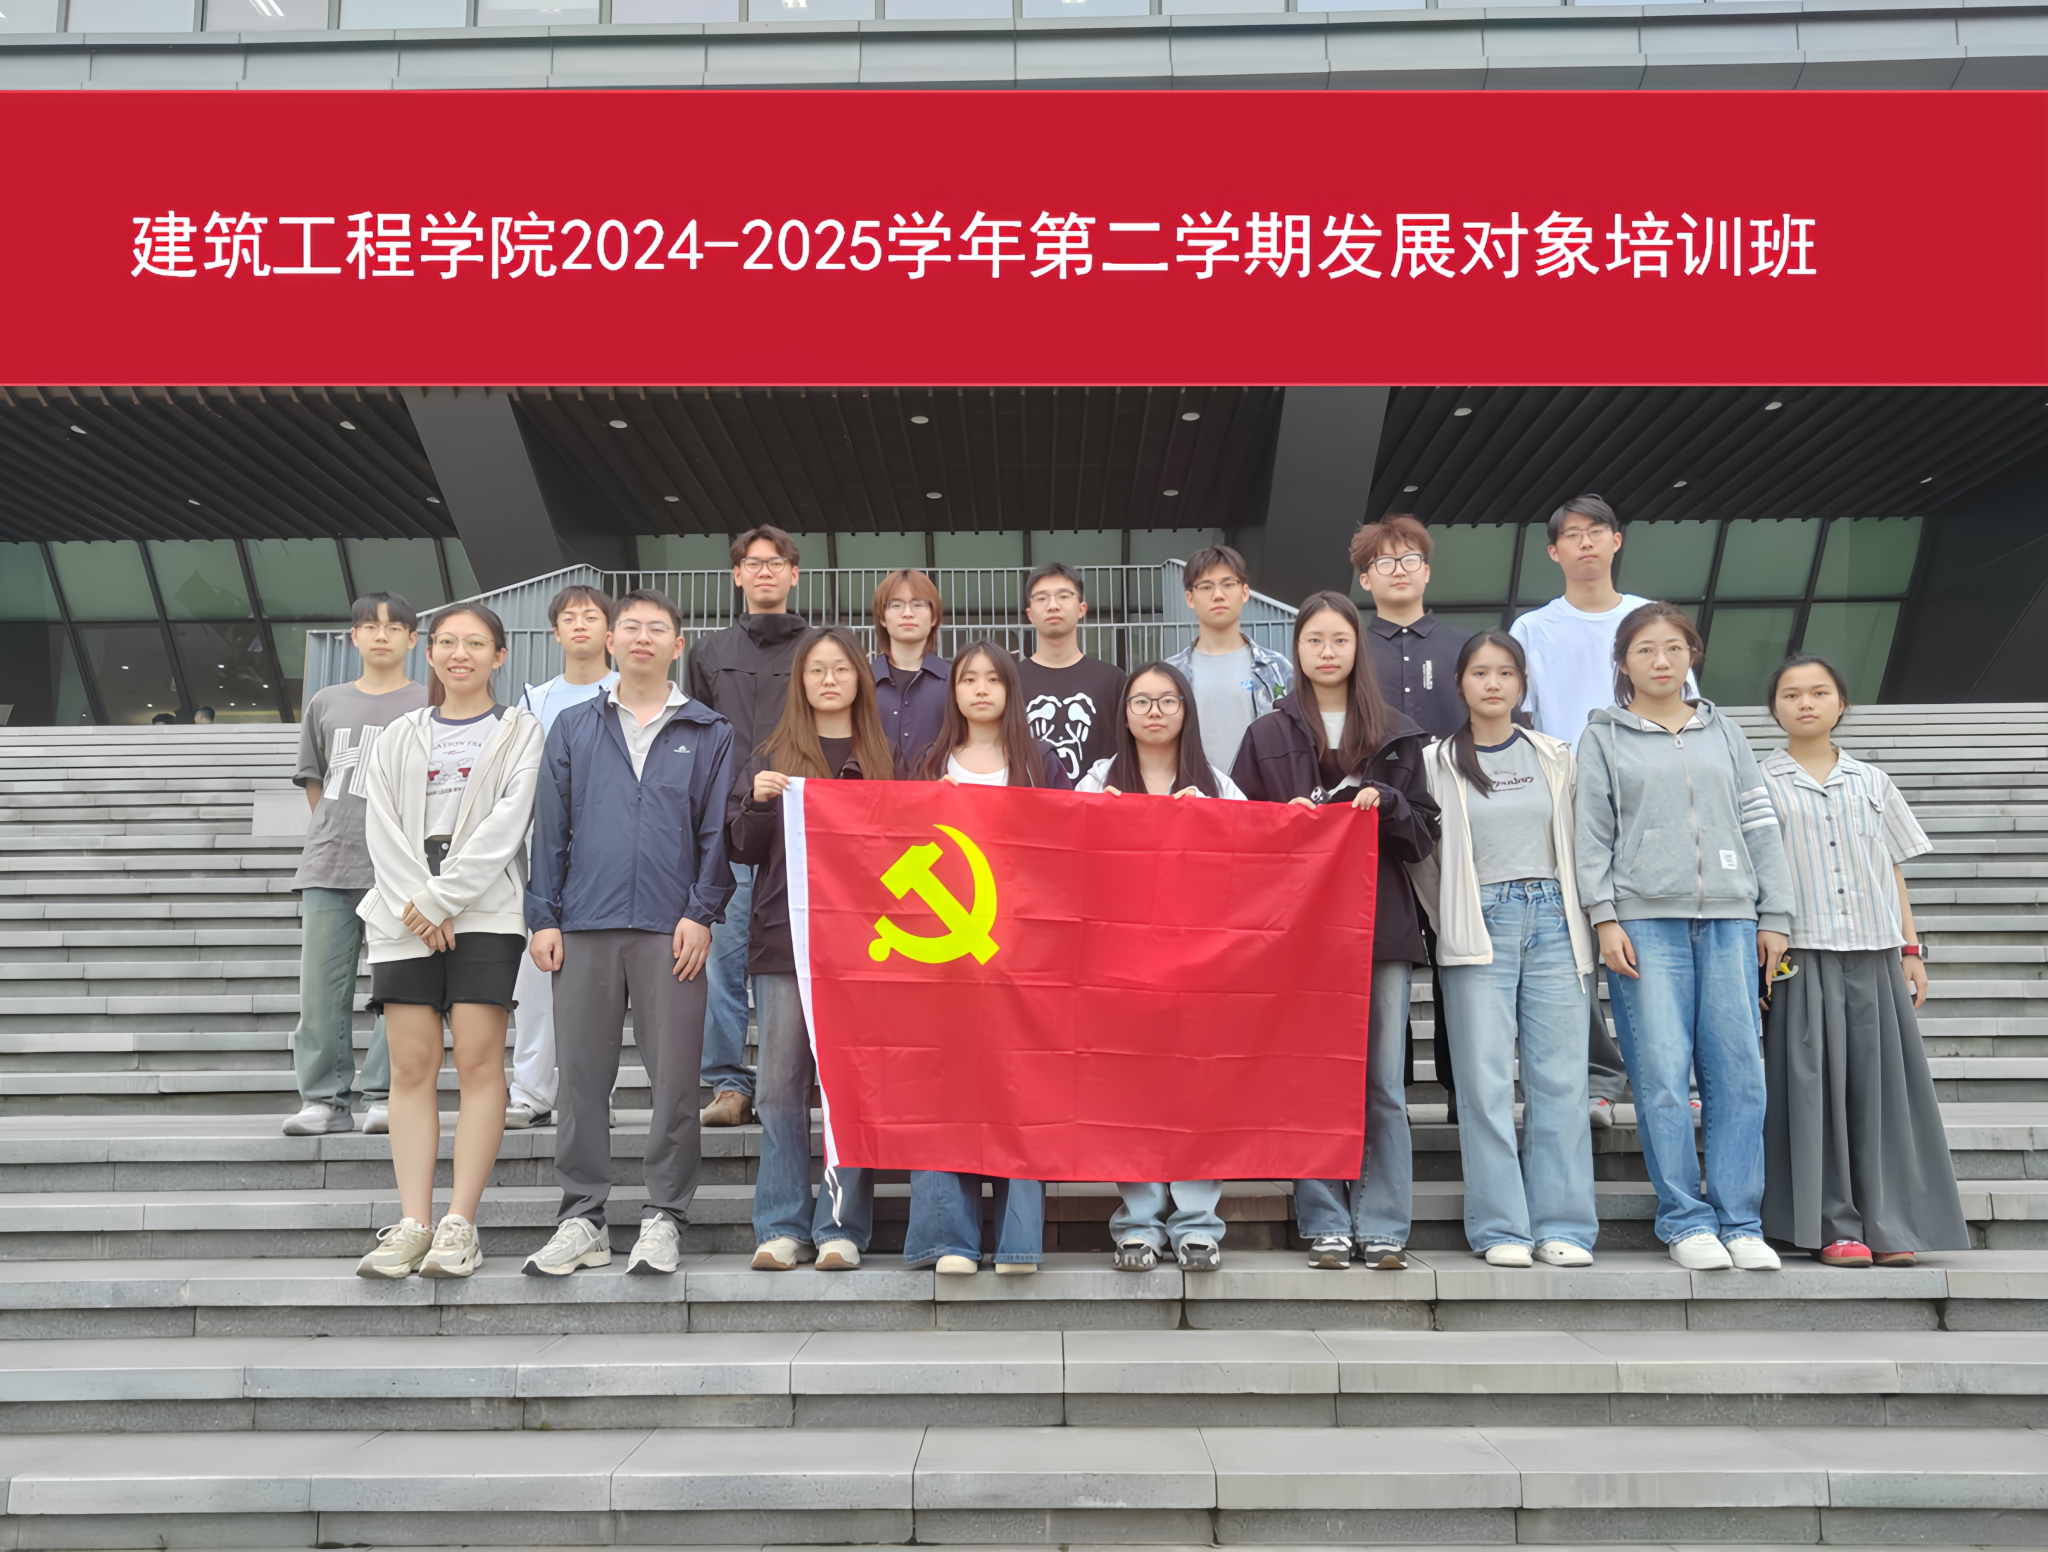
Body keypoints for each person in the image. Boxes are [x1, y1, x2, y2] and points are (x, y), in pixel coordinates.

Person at [523, 589, 736, 1278]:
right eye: (631, 627)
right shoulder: (573, 726)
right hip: (584, 923)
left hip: (671, 930)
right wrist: (544, 916)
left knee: (674, 1080)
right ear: (611, 641)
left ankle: (664, 1215)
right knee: (582, 1079)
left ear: (678, 645)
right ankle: (582, 1217)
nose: (643, 637)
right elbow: (550, 828)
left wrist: (701, 912)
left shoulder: (709, 730)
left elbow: (716, 832)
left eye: (658, 628)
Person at [1576, 602, 1794, 1272]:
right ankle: (1685, 1219)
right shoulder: (1602, 737)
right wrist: (1604, 916)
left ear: (1692, 655)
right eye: (1645, 649)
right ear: (1623, 662)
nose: (1661, 660)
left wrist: (1776, 914)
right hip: (1644, 924)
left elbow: (1759, 822)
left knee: (1740, 1077)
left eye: (1673, 647)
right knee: (1663, 1077)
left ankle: (1740, 1221)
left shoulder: (1724, 731)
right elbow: (1592, 833)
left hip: (1731, 919)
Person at [1232, 590, 1439, 1271]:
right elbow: (1237, 838)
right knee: (1311, 1077)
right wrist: (1282, 824)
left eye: (1339, 640)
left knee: (1382, 1083)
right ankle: (1324, 1220)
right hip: (1299, 935)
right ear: (1296, 649)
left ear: (1358, 649)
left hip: (1380, 927)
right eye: (1314, 640)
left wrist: (1392, 803)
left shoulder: (1398, 734)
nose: (1327, 652)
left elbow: (1424, 835)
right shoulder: (1266, 734)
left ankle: (1383, 1224)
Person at [352, 603, 543, 1279]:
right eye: (448, 642)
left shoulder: (520, 731)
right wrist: (417, 905)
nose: (460, 653)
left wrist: (440, 899)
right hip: (402, 915)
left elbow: (508, 825)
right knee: (410, 1067)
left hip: (485, 912)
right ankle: (413, 1223)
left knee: (480, 1063)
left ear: (499, 656)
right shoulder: (398, 734)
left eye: (476, 643)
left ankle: (460, 1222)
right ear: (428, 652)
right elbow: (380, 826)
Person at [1759, 655, 1968, 1267]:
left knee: (1883, 1094)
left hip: (1875, 953)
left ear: (1841, 703)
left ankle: (1890, 1221)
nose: (1805, 703)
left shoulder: (1873, 781)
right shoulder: (1758, 782)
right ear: (1774, 708)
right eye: (1791, 694)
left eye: (1819, 692)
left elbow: (1891, 868)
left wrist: (1911, 948)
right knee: (1812, 1094)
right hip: (1801, 955)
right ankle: (1833, 1225)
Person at [1409, 630, 1598, 1269]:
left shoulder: (1556, 756)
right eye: (1480, 673)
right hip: (1479, 922)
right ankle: (1501, 1228)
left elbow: (1582, 841)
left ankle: (1562, 1225)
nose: (1493, 684)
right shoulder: (1435, 762)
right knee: (1485, 1084)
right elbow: (1422, 859)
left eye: (1505, 673)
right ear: (1459, 684)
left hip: (1554, 920)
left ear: (1522, 684)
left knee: (1560, 1081)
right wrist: (1453, 918)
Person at [1510, 495, 1684, 1132]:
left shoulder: (1648, 620)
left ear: (1617, 541)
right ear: (1553, 552)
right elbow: (1520, 719)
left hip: (1647, 802)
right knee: (1574, 945)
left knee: (1653, 940)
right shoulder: (1533, 630)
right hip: (1566, 802)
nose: (1586, 543)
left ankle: (1669, 1076)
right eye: (1573, 535)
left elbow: (1682, 709)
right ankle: (1599, 1079)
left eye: (1597, 532)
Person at [730, 626, 893, 1271]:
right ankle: (781, 1225)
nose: (829, 679)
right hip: (784, 941)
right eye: (816, 669)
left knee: (849, 1089)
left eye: (841, 669)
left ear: (860, 679)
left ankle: (841, 1226)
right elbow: (741, 846)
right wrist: (759, 803)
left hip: (864, 948)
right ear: (800, 680)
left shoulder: (885, 755)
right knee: (778, 1086)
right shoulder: (771, 754)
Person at [905, 641, 1070, 1275]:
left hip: (1022, 954)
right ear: (953, 691)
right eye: (967, 679)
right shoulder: (927, 762)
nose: (979, 689)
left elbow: (1069, 846)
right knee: (941, 1089)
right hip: (944, 957)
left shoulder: (1039, 762)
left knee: (1019, 1088)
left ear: (1010, 690)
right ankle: (949, 1238)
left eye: (992, 679)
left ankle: (1018, 1242)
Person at [1078, 660, 1244, 1272]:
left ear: (1186, 711)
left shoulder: (1218, 783)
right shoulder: (1098, 781)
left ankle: (1198, 1223)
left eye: (1167, 700)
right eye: (1141, 701)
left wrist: (1214, 823)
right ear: (1123, 714)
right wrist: (1096, 819)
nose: (1154, 711)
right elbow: (1061, 857)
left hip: (1200, 969)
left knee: (1199, 1091)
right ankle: (1139, 1223)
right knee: (1133, 1094)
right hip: (1121, 969)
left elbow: (1254, 859)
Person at [282, 593, 426, 1138]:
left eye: (393, 627)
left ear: (413, 639)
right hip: (331, 862)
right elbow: (315, 781)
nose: (381, 635)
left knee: (399, 987)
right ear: (354, 637)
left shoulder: (429, 702)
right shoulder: (326, 702)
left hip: (403, 868)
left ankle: (387, 1095)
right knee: (321, 990)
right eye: (369, 626)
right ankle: (323, 1099)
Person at [687, 526, 808, 1129]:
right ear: (737, 576)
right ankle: (729, 1083)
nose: (765, 571)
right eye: (753, 563)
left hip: (802, 831)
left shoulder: (819, 649)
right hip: (730, 827)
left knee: (799, 959)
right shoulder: (708, 653)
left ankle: (800, 1078)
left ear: (794, 574)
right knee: (724, 960)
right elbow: (695, 738)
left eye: (776, 562)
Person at [1353, 515, 1472, 1122]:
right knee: (1383, 959)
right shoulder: (1352, 648)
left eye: (1408, 560)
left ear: (1427, 571)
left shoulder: (1465, 647)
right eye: (1383, 562)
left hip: (1456, 818)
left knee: (1457, 953)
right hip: (1377, 822)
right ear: (1364, 578)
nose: (1397, 571)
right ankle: (1386, 1097)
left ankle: (1460, 1092)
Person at [506, 585, 619, 1130]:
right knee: (535, 980)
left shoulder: (627, 691)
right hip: (546, 850)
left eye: (591, 616)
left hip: (610, 852)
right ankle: (531, 1091)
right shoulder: (535, 700)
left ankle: (596, 1096)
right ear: (555, 632)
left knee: (602, 988)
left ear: (610, 631)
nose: (580, 625)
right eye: (569, 618)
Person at [1163, 544, 1293, 775]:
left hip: (1261, 792)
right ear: (1190, 598)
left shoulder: (1277, 669)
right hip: (1191, 791)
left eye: (1228, 584)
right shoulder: (1170, 674)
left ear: (1245, 592)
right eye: (1206, 587)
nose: (1218, 595)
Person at [1016, 562, 1126, 785]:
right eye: (1041, 598)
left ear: (1081, 609)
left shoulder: (1113, 680)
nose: (1052, 605)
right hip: (1027, 803)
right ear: (1030, 614)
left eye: (1064, 596)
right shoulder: (1009, 680)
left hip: (1097, 802)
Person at [870, 568, 951, 769]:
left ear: (934, 618)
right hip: (874, 787)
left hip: (936, 787)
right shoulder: (862, 681)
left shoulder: (955, 680)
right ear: (882, 618)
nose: (907, 613)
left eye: (918, 605)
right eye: (896, 605)